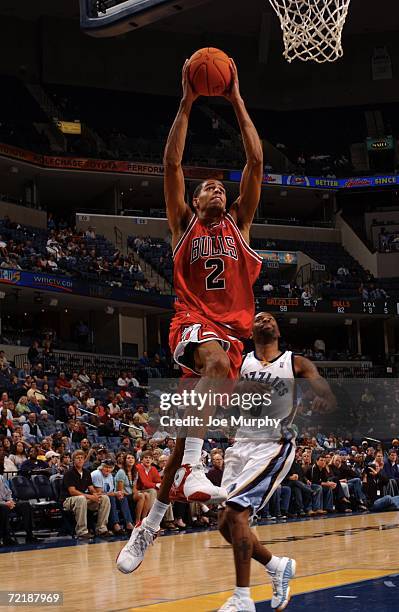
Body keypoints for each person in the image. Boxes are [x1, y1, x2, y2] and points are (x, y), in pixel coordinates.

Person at [118, 56, 263, 575]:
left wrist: (237, 99)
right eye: (209, 188)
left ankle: (149, 525)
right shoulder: (183, 224)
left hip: (230, 337)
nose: (217, 190)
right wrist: (187, 102)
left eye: (221, 187)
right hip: (191, 324)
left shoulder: (240, 224)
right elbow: (172, 166)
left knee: (182, 439)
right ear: (194, 200)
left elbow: (256, 163)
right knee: (216, 371)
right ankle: (195, 470)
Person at [217, 312, 336, 612]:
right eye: (259, 318)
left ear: (278, 330)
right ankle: (276, 565)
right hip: (241, 443)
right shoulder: (241, 362)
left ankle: (242, 598)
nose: (264, 320)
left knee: (236, 512)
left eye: (270, 318)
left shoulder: (295, 362)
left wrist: (324, 400)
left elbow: (324, 389)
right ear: (251, 331)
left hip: (274, 443)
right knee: (224, 525)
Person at [61, 450, 111, 539]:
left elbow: (91, 488)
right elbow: (72, 492)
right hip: (68, 500)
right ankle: (82, 531)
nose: (80, 460)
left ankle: (101, 529)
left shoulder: (86, 472)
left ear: (84, 460)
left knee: (104, 498)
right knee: (81, 498)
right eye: (77, 458)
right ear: (73, 460)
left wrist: (96, 495)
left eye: (82, 458)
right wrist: (90, 496)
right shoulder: (69, 473)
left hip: (83, 499)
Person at [91, 459, 134, 534]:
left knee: (122, 498)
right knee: (111, 498)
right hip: (95, 498)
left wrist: (118, 494)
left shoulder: (110, 475)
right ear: (101, 467)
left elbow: (111, 491)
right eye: (106, 467)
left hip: (107, 497)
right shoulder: (96, 474)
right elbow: (99, 493)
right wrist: (115, 494)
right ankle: (115, 524)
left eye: (110, 467)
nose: (108, 469)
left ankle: (128, 523)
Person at [115, 453, 151, 524]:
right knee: (141, 496)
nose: (130, 459)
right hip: (123, 495)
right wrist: (136, 494)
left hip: (130, 494)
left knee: (146, 494)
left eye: (132, 458)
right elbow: (120, 490)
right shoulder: (121, 472)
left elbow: (134, 487)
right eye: (128, 458)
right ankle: (137, 520)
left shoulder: (134, 472)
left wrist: (136, 492)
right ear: (125, 461)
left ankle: (143, 519)